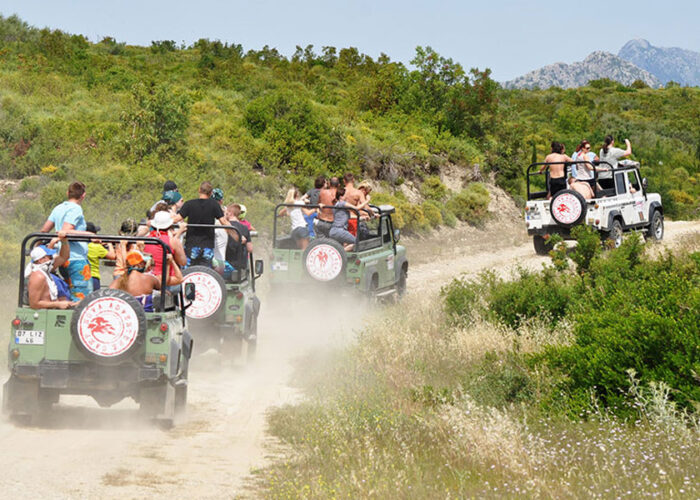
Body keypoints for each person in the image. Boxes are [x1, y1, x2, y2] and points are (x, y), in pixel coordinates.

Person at [40, 181, 93, 301]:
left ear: (67, 193)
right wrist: (89, 234)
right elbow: (66, 230)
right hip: (76, 258)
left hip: (62, 258)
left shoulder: (58, 208)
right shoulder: (76, 209)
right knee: (82, 297)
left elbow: (44, 230)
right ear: (83, 195)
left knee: (68, 294)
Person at [173, 181, 237, 267]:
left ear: (199, 190)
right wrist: (236, 235)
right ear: (210, 193)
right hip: (207, 245)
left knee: (188, 271)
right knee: (205, 272)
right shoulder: (214, 205)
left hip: (191, 244)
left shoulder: (189, 204)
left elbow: (177, 219)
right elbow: (224, 222)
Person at [26, 232, 77, 310]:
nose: (52, 258)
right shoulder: (38, 276)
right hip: (44, 315)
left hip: (51, 310)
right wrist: (58, 304)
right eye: (49, 257)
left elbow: (64, 257)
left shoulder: (44, 269)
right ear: (40, 260)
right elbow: (34, 304)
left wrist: (64, 240)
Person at [143, 210, 187, 286]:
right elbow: (183, 262)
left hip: (146, 279)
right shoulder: (173, 241)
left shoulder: (145, 240)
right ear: (169, 226)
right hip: (166, 281)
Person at [224, 203, 253, 278]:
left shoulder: (223, 227)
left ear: (230, 213)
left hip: (226, 264)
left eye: (226, 212)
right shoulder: (245, 228)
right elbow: (250, 249)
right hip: (239, 266)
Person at [86, 222, 116, 291]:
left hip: (81, 276)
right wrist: (109, 243)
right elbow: (112, 256)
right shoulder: (96, 246)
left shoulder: (79, 245)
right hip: (93, 277)